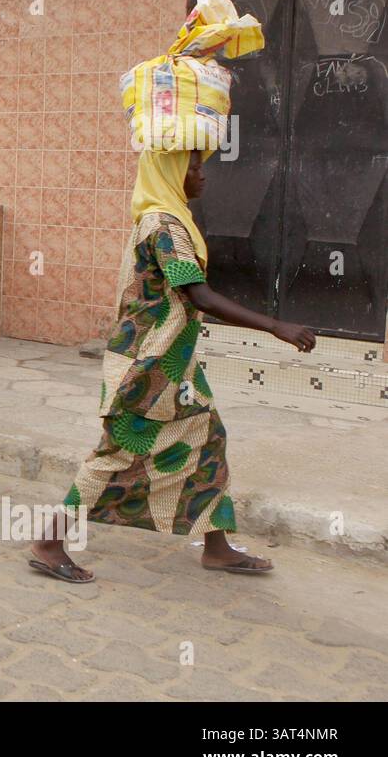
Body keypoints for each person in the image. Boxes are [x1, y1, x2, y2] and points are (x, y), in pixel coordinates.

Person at [28, 147, 315, 583]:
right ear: (168, 171)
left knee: (208, 438)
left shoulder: (171, 217)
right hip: (148, 364)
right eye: (193, 166)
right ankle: (49, 543)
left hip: (174, 363)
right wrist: (276, 325)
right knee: (117, 453)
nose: (202, 175)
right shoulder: (163, 224)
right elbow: (199, 295)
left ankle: (216, 547)